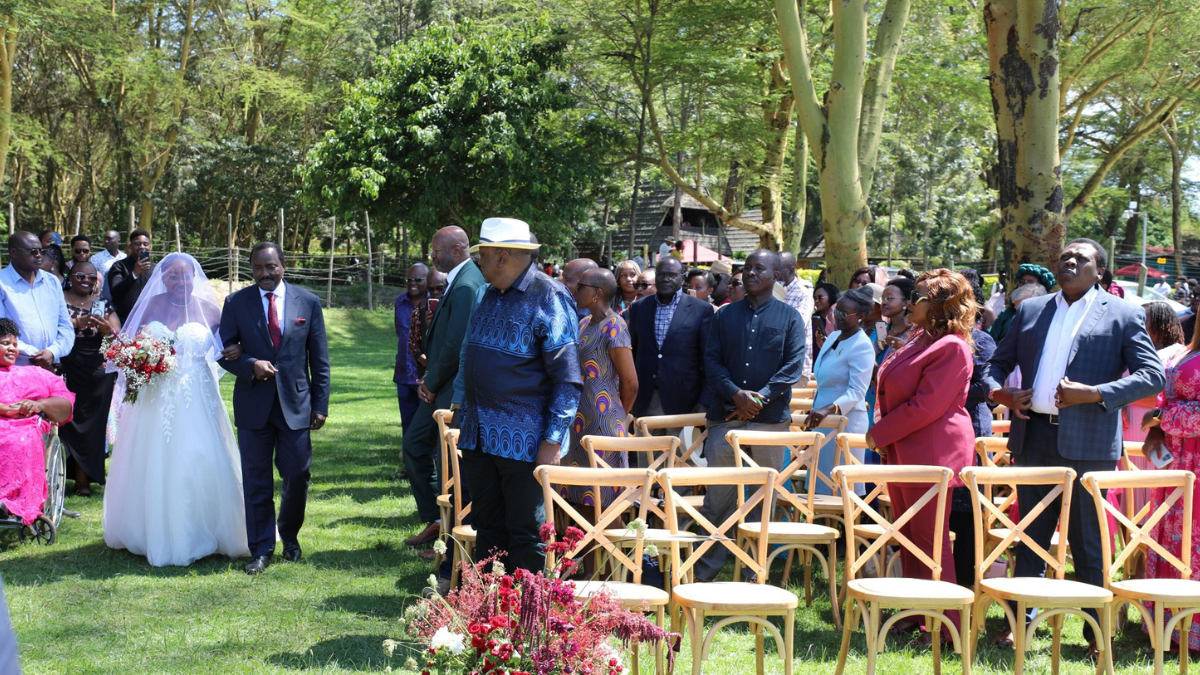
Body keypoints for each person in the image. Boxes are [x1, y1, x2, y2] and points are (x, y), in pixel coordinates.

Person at [984, 238, 1165, 653]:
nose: (1069, 262)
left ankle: (1095, 634)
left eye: (1080, 259)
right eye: (1065, 256)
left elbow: (1152, 375)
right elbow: (995, 365)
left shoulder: (1122, 314)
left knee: (1088, 542)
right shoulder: (1031, 309)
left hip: (1089, 443)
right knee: (1029, 535)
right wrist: (1000, 394)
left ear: (1099, 271)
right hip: (1034, 438)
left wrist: (1096, 393)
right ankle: (1020, 625)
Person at [104, 253, 251, 567]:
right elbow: (131, 346)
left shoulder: (211, 309)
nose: (180, 282)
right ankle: (151, 529)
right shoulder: (151, 305)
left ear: (195, 278)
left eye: (186, 276)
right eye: (173, 276)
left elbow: (231, 344)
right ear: (163, 278)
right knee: (153, 457)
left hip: (197, 395)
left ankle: (212, 527)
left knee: (201, 455)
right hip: (156, 396)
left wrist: (237, 349)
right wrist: (138, 362)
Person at [457, 218, 582, 573]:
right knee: (487, 526)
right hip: (480, 435)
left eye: (482, 255)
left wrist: (553, 440)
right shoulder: (489, 294)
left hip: (524, 439)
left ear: (502, 256)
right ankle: (487, 614)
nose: (477, 262)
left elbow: (568, 378)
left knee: (526, 532)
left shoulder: (549, 295)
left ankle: (526, 620)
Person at [867, 269, 978, 638]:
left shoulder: (951, 346)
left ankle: (946, 627)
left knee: (930, 541)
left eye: (919, 297)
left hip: (932, 452)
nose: (911, 302)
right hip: (906, 447)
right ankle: (916, 613)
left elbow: (926, 406)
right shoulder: (920, 338)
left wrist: (878, 434)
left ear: (942, 306)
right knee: (909, 536)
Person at [217, 243, 331, 575]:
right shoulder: (236, 302)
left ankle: (290, 538)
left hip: (296, 404)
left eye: (271, 267)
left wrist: (320, 405)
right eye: (258, 268)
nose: (265, 274)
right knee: (256, 480)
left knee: (297, 474)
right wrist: (251, 364)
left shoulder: (307, 302)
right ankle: (262, 549)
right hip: (254, 406)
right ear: (251, 269)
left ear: (284, 265)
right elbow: (227, 352)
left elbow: (320, 360)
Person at [694, 249, 805, 581]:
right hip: (726, 418)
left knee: (763, 501)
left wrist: (761, 398)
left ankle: (754, 574)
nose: (751, 273)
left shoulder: (790, 318)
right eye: (747, 268)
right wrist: (735, 394)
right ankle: (704, 573)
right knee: (718, 497)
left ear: (775, 276)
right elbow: (711, 361)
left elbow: (792, 368)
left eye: (760, 268)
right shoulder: (724, 316)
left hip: (769, 422)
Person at [404, 226, 486, 557]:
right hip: (439, 386)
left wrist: (431, 381)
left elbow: (456, 344)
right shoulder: (459, 279)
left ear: (457, 250)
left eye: (437, 250)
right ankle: (436, 521)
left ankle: (451, 539)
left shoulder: (466, 284)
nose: (432, 256)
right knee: (415, 446)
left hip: (450, 390)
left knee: (450, 464)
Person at [1141, 311, 1200, 650]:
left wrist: (1162, 417)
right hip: (1175, 461)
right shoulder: (1183, 352)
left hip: (1194, 460)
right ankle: (1167, 624)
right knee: (1168, 536)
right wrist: (1159, 427)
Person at [560, 268, 638, 508]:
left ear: (597, 294)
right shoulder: (584, 323)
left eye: (581, 286)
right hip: (579, 420)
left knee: (605, 498)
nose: (575, 289)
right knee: (577, 495)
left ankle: (611, 546)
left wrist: (617, 416)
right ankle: (580, 546)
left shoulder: (615, 325)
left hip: (603, 422)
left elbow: (630, 383)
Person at [627, 256, 712, 444]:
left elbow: (708, 359)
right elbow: (632, 354)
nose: (666, 279)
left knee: (681, 463)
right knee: (648, 463)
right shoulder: (639, 308)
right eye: (661, 274)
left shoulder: (701, 309)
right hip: (646, 400)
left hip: (684, 401)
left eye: (672, 275)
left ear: (682, 279)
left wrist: (704, 400)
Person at [0, 317, 74, 525]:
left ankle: (9, 503)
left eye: (15, 344)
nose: (12, 348)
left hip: (23, 427)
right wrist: (5, 409)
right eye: (6, 343)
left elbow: (65, 404)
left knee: (19, 439)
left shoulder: (35, 373)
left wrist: (39, 405)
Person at [804, 286, 875, 494]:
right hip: (822, 420)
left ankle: (848, 527)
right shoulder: (834, 336)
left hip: (845, 422)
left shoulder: (862, 345)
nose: (838, 316)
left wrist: (829, 409)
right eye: (837, 311)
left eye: (845, 314)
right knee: (819, 487)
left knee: (844, 488)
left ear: (861, 316)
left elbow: (857, 391)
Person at [59, 261, 120, 496]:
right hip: (66, 366)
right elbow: (49, 326)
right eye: (80, 275)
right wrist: (76, 323)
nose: (85, 280)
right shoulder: (58, 298)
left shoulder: (102, 304)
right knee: (68, 422)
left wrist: (107, 330)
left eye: (91, 277)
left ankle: (87, 478)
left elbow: (118, 335)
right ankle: (70, 477)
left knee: (92, 426)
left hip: (96, 372)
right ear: (70, 276)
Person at [0, 232, 74, 370]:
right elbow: (2, 332)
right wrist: (36, 355)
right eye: (33, 251)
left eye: (41, 251)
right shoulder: (2, 283)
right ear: (14, 252)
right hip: (16, 367)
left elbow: (65, 326)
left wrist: (52, 352)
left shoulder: (52, 282)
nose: (39, 255)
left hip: (52, 366)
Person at [395, 263, 428, 443]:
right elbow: (400, 332)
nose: (412, 284)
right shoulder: (400, 302)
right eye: (409, 280)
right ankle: (408, 466)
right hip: (403, 374)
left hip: (424, 373)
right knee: (407, 422)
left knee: (425, 423)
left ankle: (430, 465)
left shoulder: (435, 301)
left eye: (417, 280)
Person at [988, 263, 1055, 343]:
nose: (1024, 285)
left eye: (1030, 282)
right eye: (1021, 282)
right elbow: (990, 340)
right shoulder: (1006, 315)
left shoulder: (1050, 316)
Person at [779, 252, 815, 376]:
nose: (774, 273)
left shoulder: (803, 294)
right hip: (775, 366)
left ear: (791, 270)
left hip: (795, 368)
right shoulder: (772, 292)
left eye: (778, 268)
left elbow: (798, 325)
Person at [106, 229, 153, 324]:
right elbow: (115, 292)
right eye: (137, 244)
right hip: (124, 320)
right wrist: (134, 274)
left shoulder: (155, 268)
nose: (142, 247)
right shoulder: (119, 266)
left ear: (150, 247)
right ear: (130, 246)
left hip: (149, 320)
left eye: (145, 244)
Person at [410, 267, 447, 372]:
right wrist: (420, 356)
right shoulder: (421, 307)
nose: (435, 292)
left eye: (440, 288)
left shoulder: (454, 305)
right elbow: (413, 339)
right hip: (427, 370)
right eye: (430, 289)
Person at [811, 282, 839, 353]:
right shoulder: (813, 320)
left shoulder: (840, 320)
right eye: (815, 298)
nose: (816, 301)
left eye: (820, 297)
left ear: (831, 296)